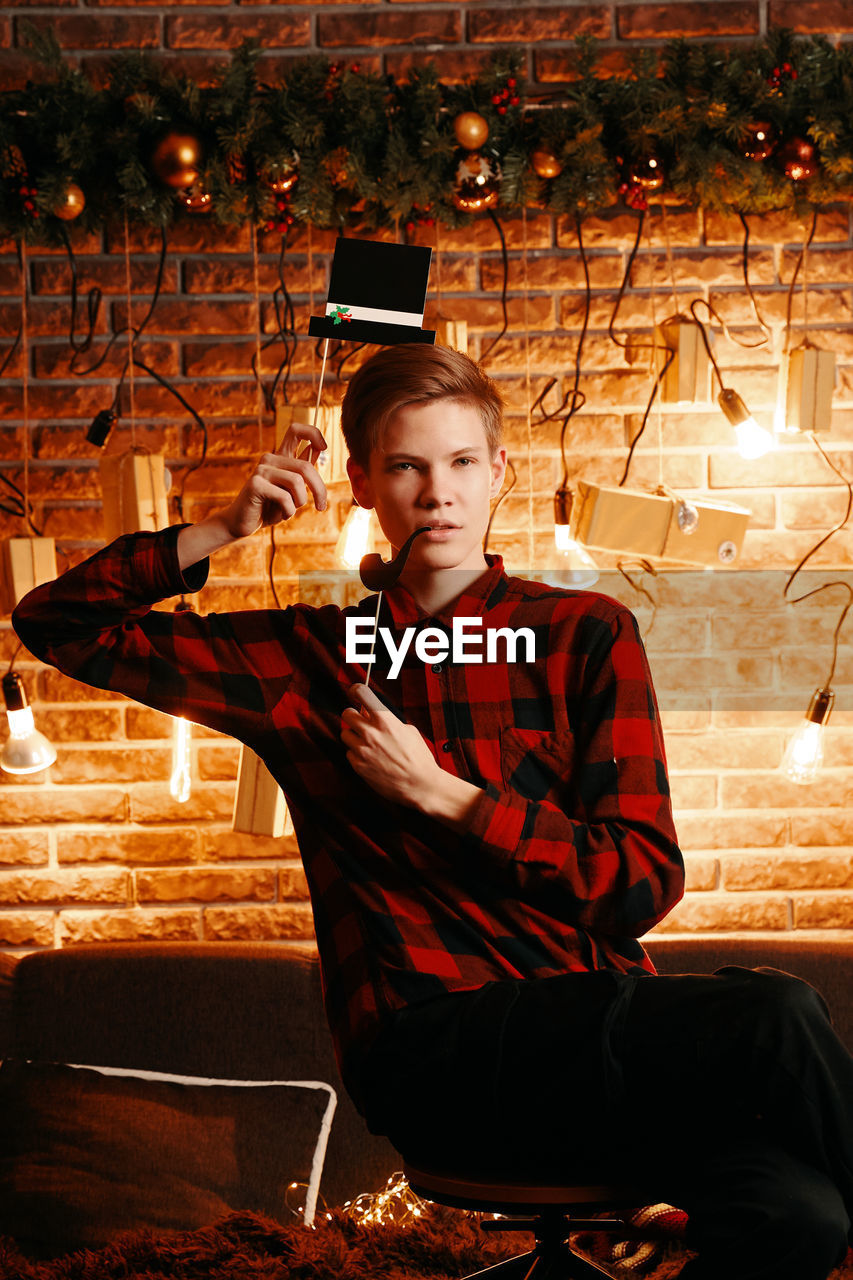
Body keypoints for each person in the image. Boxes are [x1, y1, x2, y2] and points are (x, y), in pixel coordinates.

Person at [12, 344, 853, 1280]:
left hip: (604, 1045)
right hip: (434, 1051)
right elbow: (57, 623)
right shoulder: (311, 660)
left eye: (459, 463)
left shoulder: (585, 634)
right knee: (776, 1012)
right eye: (407, 466)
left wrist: (443, 797)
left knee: (803, 1215)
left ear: (498, 472)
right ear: (364, 482)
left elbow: (641, 886)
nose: (437, 493)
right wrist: (219, 527)